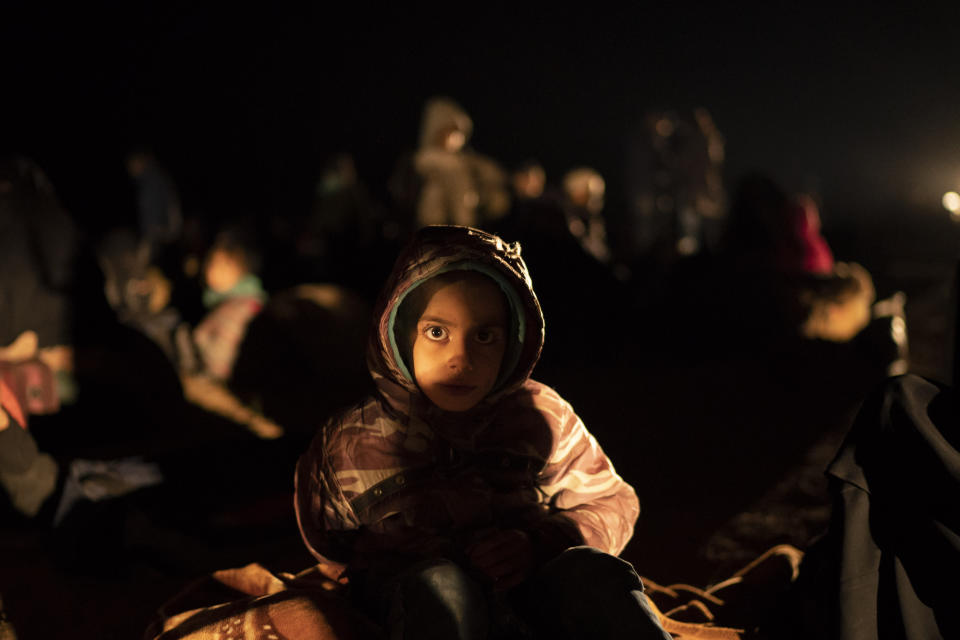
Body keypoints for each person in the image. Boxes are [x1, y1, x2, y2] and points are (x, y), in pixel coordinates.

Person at [295, 225, 670, 639]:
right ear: (399, 332)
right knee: (440, 588)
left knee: (595, 574)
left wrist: (539, 544)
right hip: (414, 609)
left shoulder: (542, 416)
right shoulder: (348, 441)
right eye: (437, 332)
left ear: (514, 341)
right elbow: (328, 544)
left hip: (534, 595)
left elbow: (612, 500)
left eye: (485, 336)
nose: (462, 358)